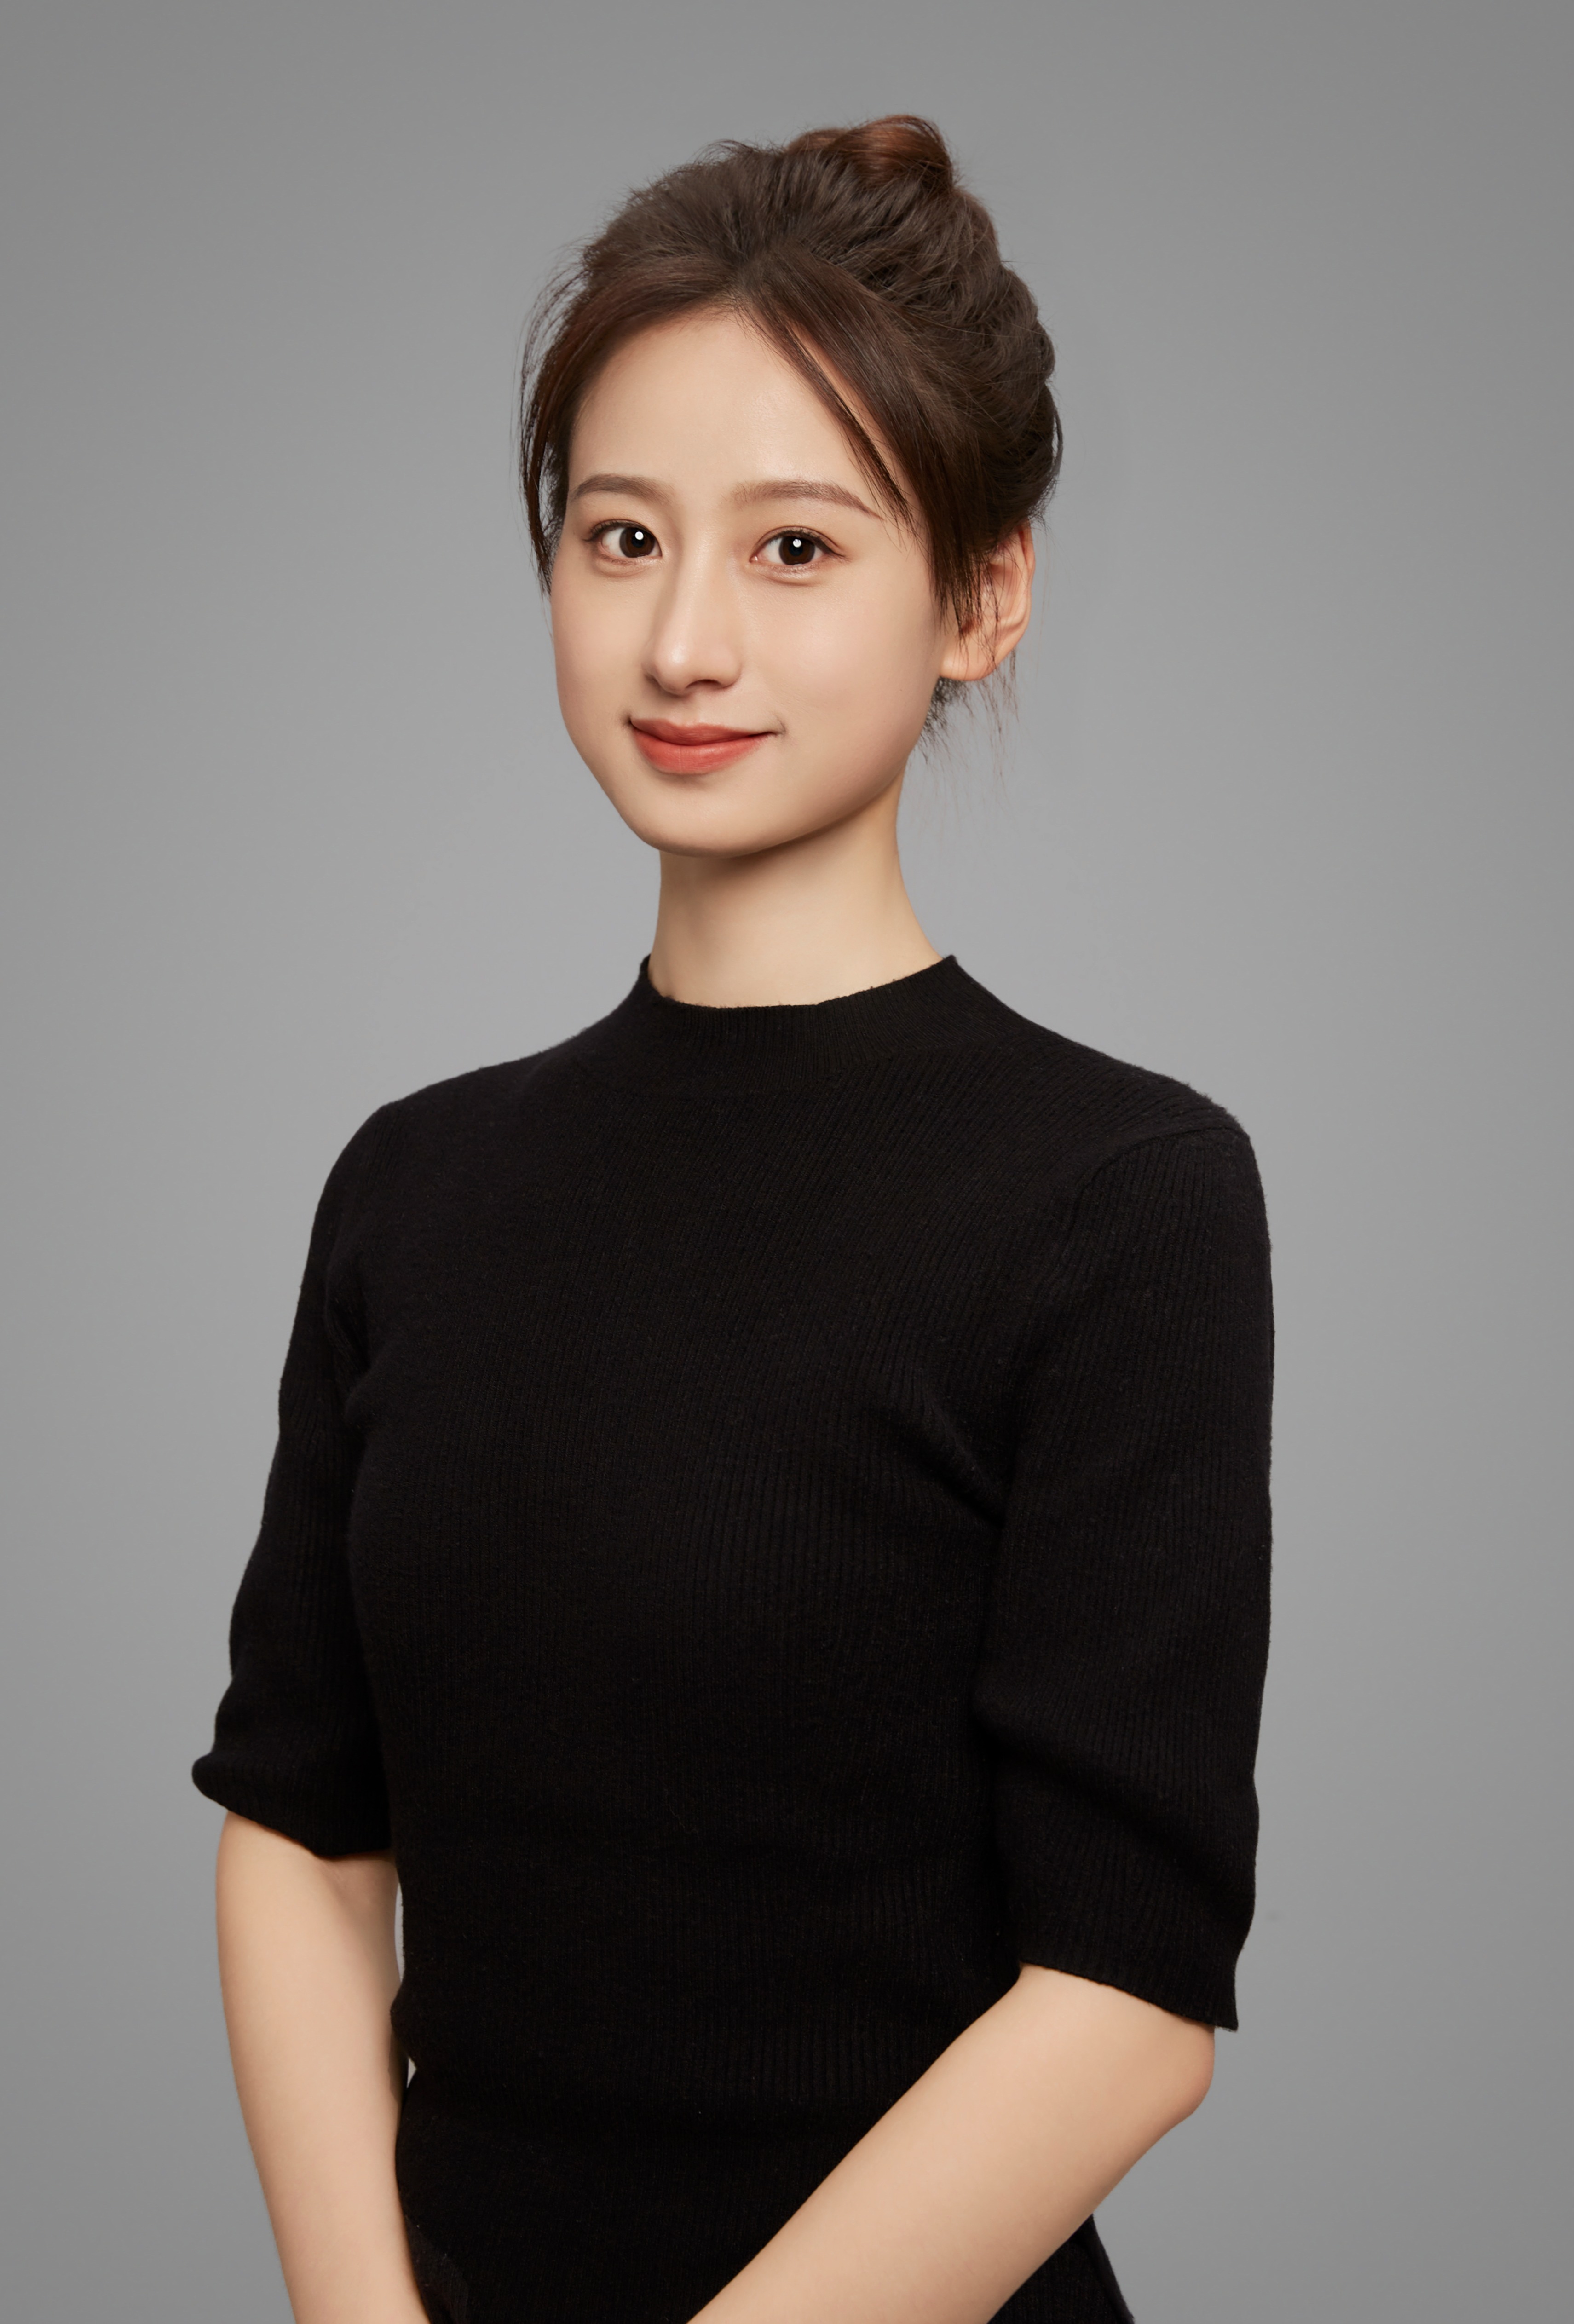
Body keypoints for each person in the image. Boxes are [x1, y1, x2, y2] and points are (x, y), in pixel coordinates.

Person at [193, 115, 1274, 2324]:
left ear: (980, 596)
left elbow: (1124, 1996)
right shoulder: (413, 1184)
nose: (683, 638)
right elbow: (301, 1823)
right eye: (621, 536)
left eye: (794, 547)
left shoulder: (1121, 1198)